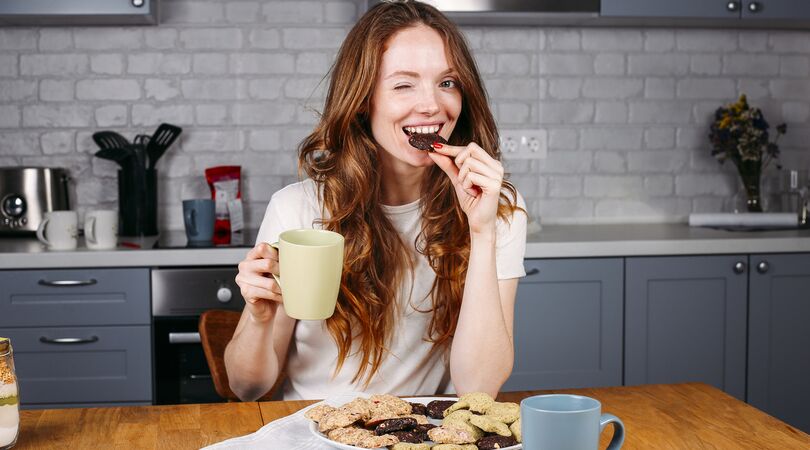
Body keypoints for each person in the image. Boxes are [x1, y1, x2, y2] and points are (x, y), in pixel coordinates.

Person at [224, 0, 527, 401]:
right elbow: (248, 387)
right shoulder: (297, 209)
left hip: (422, 435)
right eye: (404, 84)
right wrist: (259, 318)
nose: (432, 105)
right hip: (310, 432)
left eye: (447, 82)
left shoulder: (495, 207)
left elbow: (479, 388)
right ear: (364, 99)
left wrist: (483, 229)